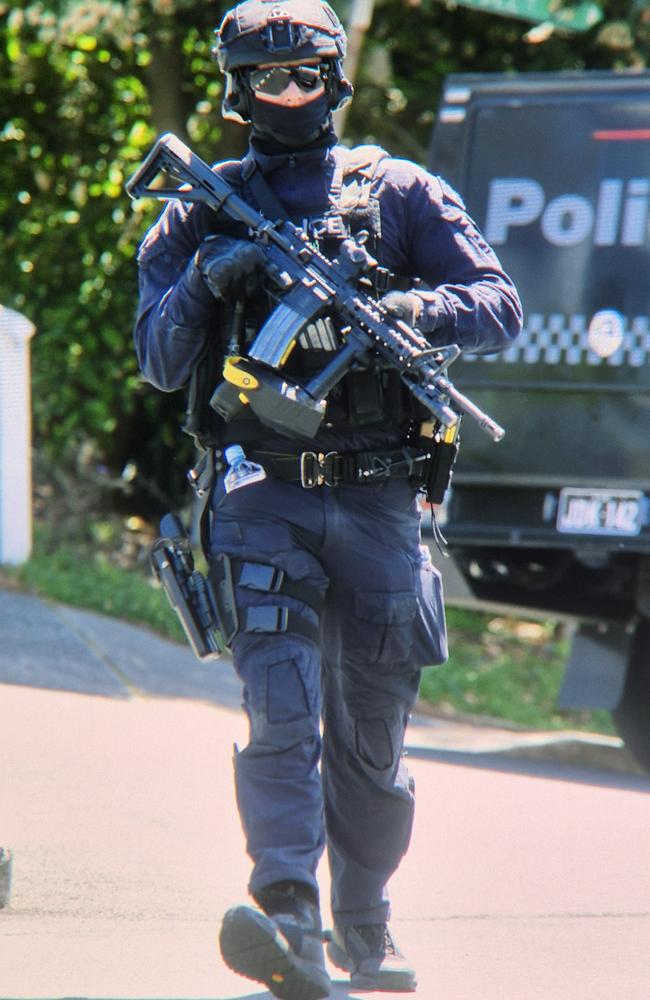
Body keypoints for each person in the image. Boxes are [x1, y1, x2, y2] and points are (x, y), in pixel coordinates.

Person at [132, 1, 523, 997]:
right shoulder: (201, 207)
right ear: (239, 90)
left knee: (371, 743)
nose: (291, 95)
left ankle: (364, 921)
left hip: (383, 501)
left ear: (335, 79)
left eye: (307, 76)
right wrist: (209, 282)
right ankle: (288, 916)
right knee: (280, 711)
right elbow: (157, 359)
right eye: (270, 80)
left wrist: (401, 306)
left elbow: (496, 303)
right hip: (262, 494)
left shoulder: (396, 191)